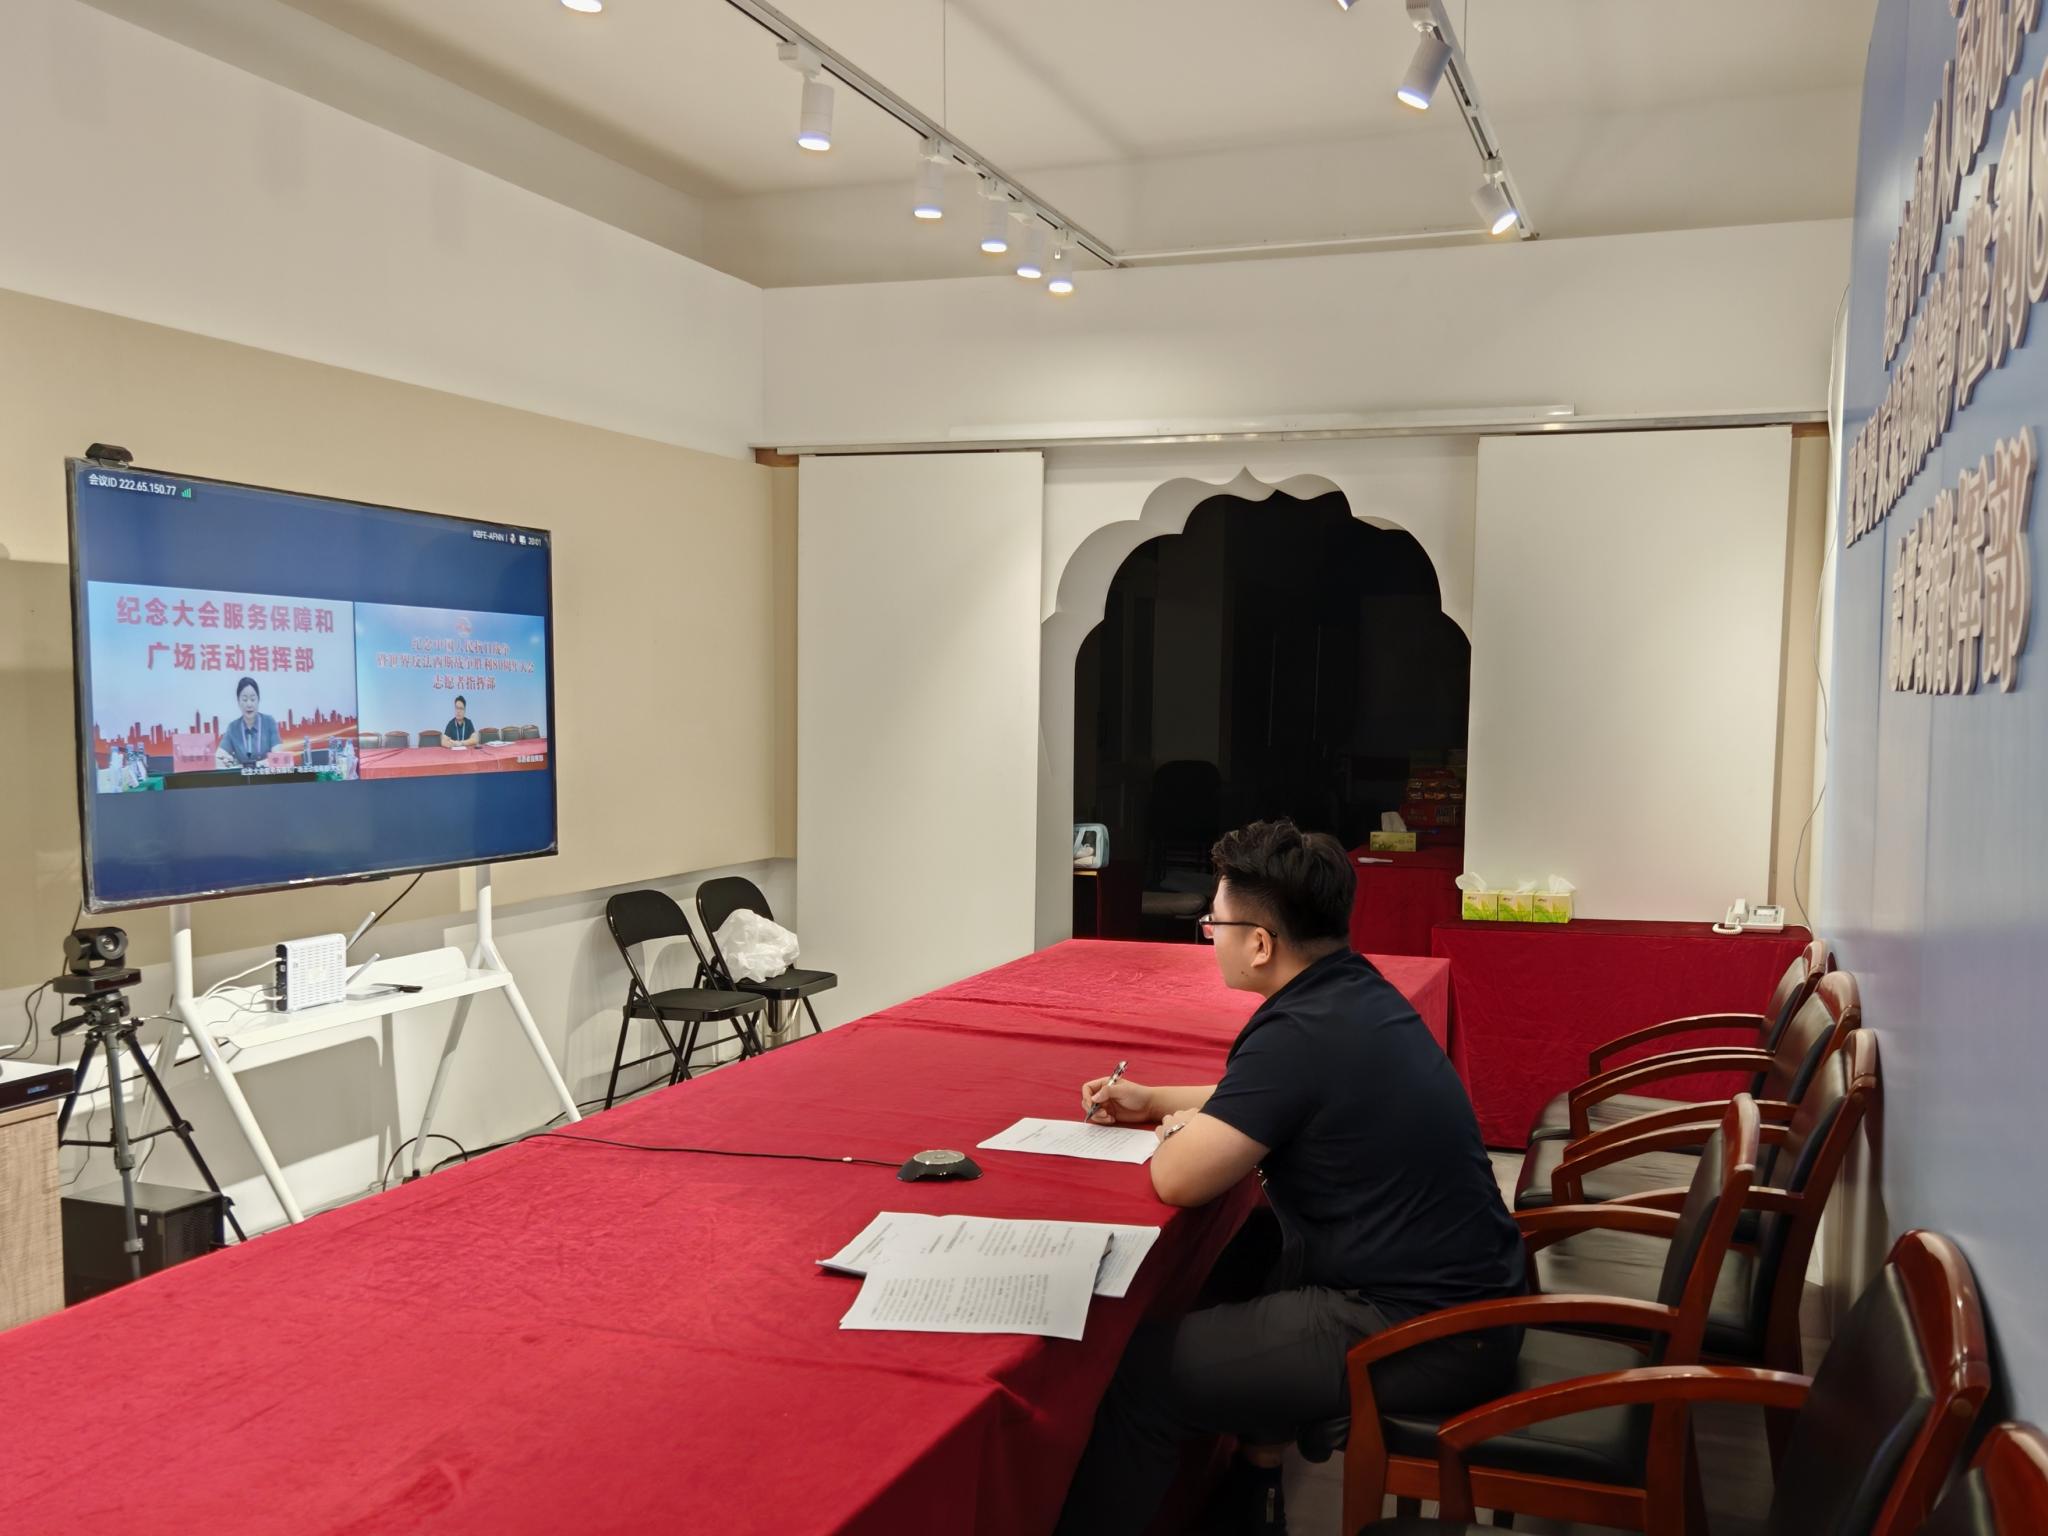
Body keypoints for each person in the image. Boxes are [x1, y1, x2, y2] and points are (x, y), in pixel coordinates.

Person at [1054, 819, 1525, 1536]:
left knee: (1141, 1377)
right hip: (1470, 1299)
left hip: (1425, 1332)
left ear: (1260, 943)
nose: (1210, 936)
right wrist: (1154, 1101)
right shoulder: (1349, 992)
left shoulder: (1301, 1031)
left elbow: (1178, 1180)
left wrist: (1175, 1132)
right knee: (1249, 1255)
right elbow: (1276, 1095)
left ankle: (1241, 1481)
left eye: (1215, 923)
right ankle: (1255, 1481)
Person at [215, 676, 282, 769]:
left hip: (267, 776)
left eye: (253, 699)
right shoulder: (233, 727)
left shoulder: (269, 722)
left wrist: (252, 765)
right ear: (238, 702)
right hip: (242, 777)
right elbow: (218, 757)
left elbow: (278, 757)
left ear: (258, 700)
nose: (249, 704)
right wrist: (226, 760)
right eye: (244, 700)